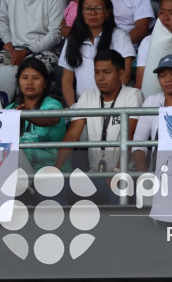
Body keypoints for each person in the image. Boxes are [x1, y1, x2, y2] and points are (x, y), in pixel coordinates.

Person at [55, 50, 144, 203]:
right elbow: (72, 135)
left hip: (125, 175)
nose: (100, 78)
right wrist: (56, 170)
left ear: (120, 74)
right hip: (95, 175)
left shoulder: (133, 94)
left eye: (106, 72)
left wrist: (118, 171)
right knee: (55, 189)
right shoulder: (87, 96)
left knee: (116, 192)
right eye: (97, 72)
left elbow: (129, 135)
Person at [58, 0, 135, 106]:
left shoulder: (119, 36)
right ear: (81, 12)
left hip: (113, 104)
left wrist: (108, 104)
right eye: (87, 8)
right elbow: (67, 80)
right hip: (83, 106)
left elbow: (125, 75)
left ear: (107, 12)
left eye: (98, 8)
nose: (92, 13)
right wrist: (74, 108)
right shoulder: (73, 38)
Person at [5, 57, 67, 173]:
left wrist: (28, 116)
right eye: (24, 78)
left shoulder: (53, 104)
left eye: (36, 78)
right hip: (21, 175)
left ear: (45, 83)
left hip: (54, 173)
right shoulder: (10, 109)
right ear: (18, 81)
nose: (29, 82)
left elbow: (49, 119)